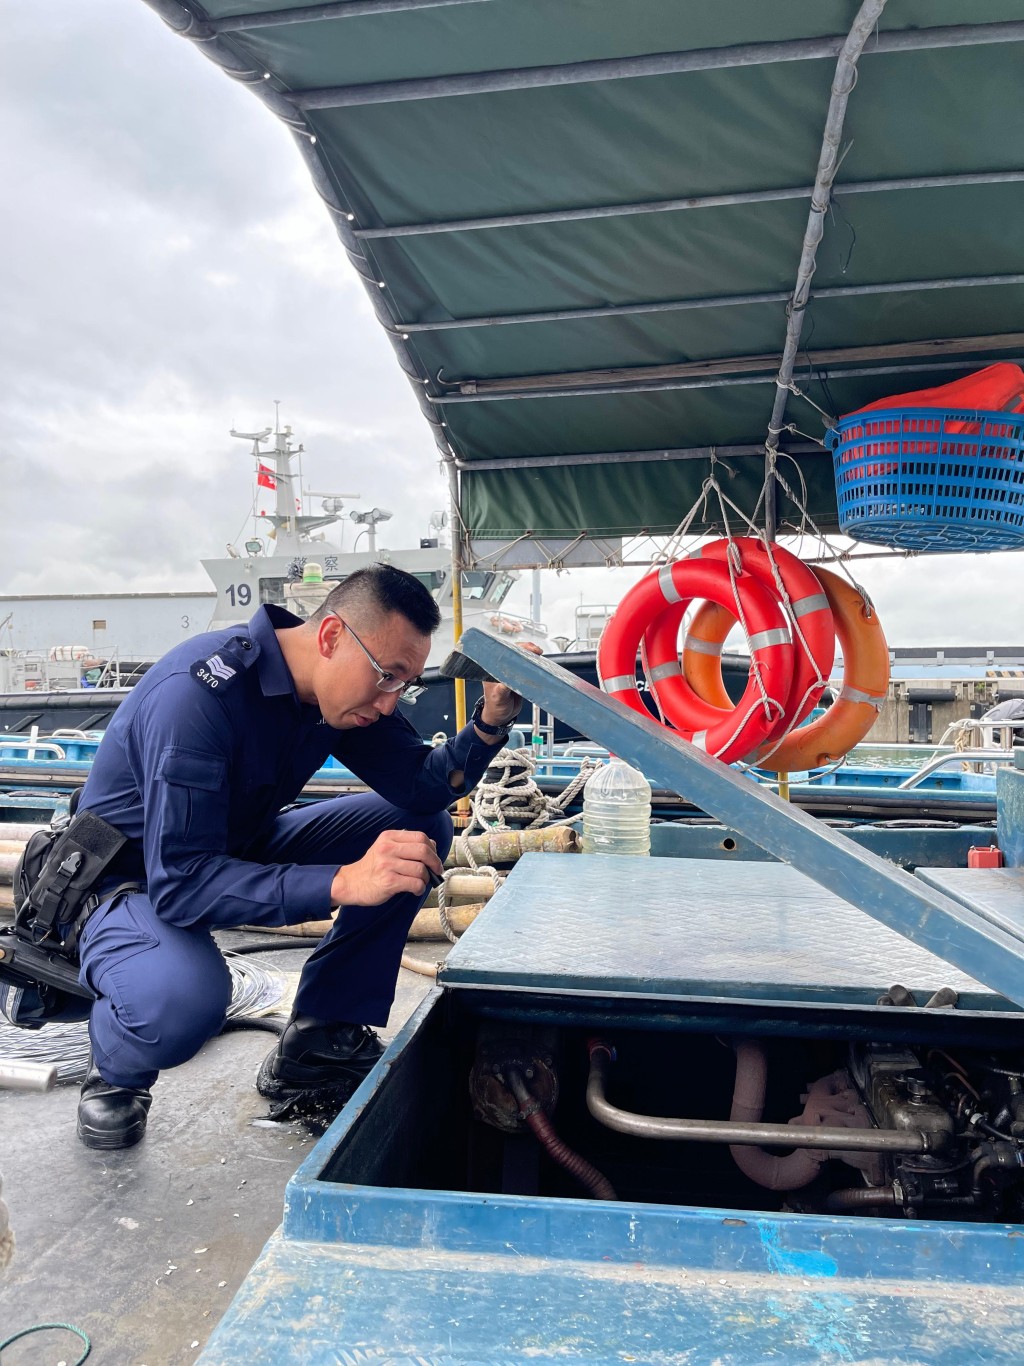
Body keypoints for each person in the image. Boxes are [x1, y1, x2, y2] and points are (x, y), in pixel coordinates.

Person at [73, 564, 525, 1150]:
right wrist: (343, 882)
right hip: (126, 881)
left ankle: (321, 1033)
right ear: (333, 636)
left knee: (416, 828)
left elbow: (419, 787)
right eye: (386, 677)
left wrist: (491, 723)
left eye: (403, 685)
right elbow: (181, 883)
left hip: (235, 845)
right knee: (183, 999)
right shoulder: (198, 696)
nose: (390, 704)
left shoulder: (330, 693)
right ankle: (116, 1074)